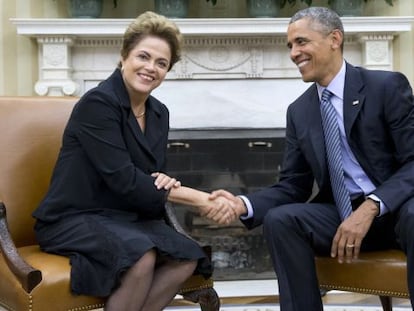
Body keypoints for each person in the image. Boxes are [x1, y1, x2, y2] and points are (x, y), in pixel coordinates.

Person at [211, 6, 414, 311]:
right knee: (282, 220)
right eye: (290, 45)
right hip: (341, 215)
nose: (294, 53)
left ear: (334, 39)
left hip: (396, 209)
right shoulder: (300, 111)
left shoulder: (385, 87)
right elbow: (293, 186)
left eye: (301, 42)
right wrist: (244, 204)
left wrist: (372, 206)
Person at [32, 11, 234, 311]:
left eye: (161, 63)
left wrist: (162, 180)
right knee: (141, 256)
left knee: (187, 257)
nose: (151, 68)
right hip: (73, 217)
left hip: (125, 218)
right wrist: (201, 199)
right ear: (124, 56)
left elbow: (151, 177)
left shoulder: (158, 113)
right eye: (143, 56)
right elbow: (125, 179)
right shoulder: (97, 104)